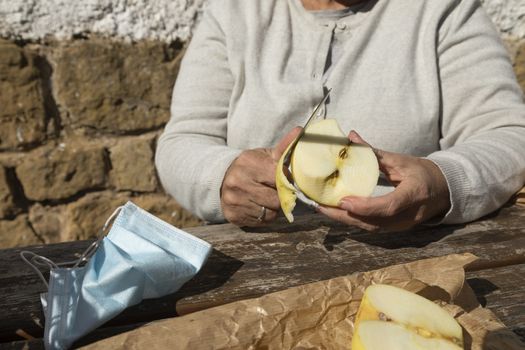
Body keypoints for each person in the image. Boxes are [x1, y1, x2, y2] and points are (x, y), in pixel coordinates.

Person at [155, 0, 525, 231]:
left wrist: (441, 181)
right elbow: (182, 142)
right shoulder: (234, 12)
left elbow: (509, 134)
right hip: (245, 274)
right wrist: (219, 176)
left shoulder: (444, 10)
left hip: (407, 262)